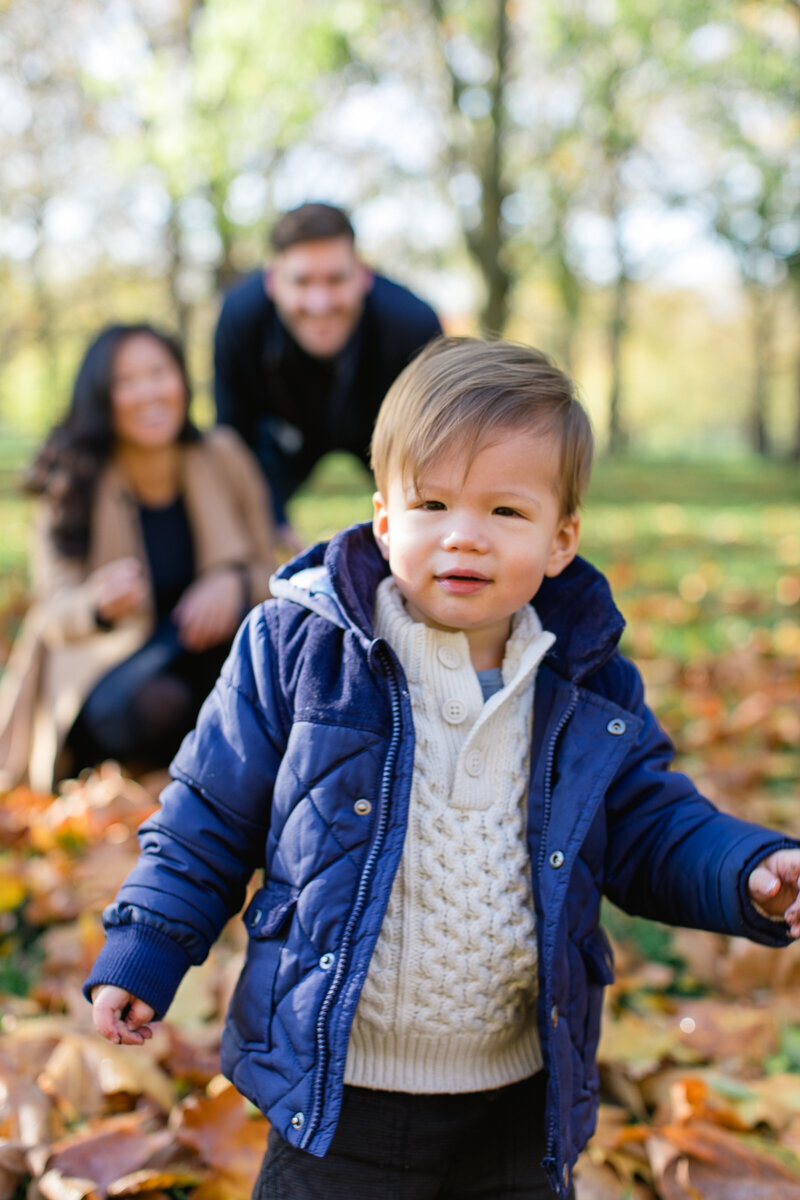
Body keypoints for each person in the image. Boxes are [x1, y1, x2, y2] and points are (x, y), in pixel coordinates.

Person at [85, 338, 800, 1199]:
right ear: (385, 519)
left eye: (505, 512)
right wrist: (146, 949)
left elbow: (649, 822)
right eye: (432, 503)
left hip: (516, 1100)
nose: (465, 537)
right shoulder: (299, 650)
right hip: (334, 1092)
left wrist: (747, 868)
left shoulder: (581, 680)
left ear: (560, 538)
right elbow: (205, 817)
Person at [0, 323, 275, 792]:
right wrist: (96, 603)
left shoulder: (224, 454)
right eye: (126, 382)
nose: (148, 392)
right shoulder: (74, 476)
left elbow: (271, 566)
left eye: (158, 373)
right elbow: (52, 611)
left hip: (212, 650)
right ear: (102, 396)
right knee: (158, 702)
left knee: (251, 675)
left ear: (182, 381)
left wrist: (232, 581)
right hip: (119, 669)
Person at [213, 201, 442, 547]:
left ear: (363, 275)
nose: (320, 304)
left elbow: (436, 449)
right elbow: (231, 438)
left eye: (336, 279)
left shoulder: (413, 323)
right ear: (273, 281)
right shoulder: (239, 318)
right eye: (301, 281)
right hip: (279, 435)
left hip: (382, 427)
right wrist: (270, 524)